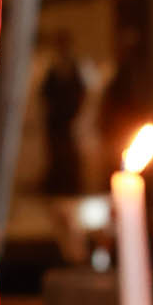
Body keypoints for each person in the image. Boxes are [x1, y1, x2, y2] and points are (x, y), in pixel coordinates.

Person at [40, 28, 86, 196]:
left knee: (69, 153)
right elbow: (46, 92)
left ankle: (70, 186)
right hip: (55, 121)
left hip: (68, 120)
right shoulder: (54, 69)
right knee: (56, 153)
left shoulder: (74, 68)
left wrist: (74, 112)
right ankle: (57, 186)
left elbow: (80, 92)